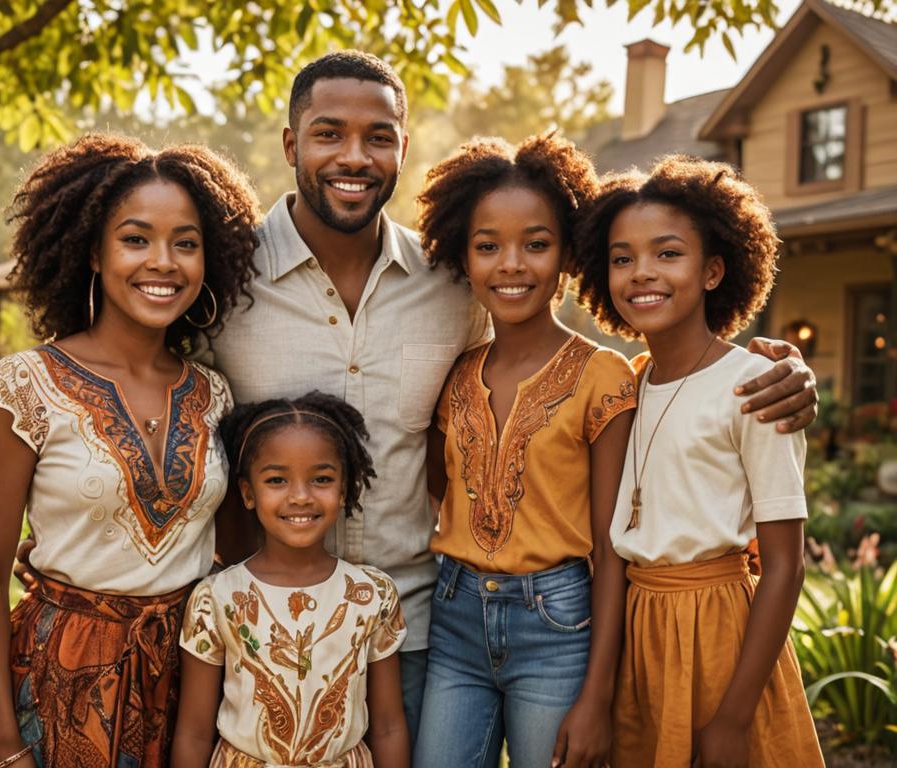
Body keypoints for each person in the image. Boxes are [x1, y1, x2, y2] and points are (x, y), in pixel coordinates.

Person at [192, 50, 821, 748]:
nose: (354, 155)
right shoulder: (220, 277)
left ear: (403, 146)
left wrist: (771, 360)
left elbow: (609, 420)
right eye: (328, 132)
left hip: (423, 624)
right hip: (268, 624)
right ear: (291, 144)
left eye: (377, 136)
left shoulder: (448, 285)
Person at [0, 134, 261, 768]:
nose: (163, 262)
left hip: (190, 684)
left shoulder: (214, 393)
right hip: (57, 682)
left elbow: (233, 554)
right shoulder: (25, 386)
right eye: (136, 239)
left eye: (186, 243)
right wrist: (4, 745)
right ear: (94, 251)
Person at [574, 157, 825, 767]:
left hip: (718, 633)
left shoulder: (758, 386)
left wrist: (734, 718)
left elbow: (785, 565)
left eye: (668, 254)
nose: (642, 274)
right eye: (622, 258)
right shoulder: (627, 385)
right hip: (637, 629)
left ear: (714, 270)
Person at [411, 133, 633, 768]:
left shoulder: (603, 377)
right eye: (488, 247)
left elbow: (612, 546)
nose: (511, 264)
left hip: (558, 626)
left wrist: (597, 694)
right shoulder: (454, 374)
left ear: (567, 253)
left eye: (536, 244)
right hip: (452, 619)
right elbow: (438, 482)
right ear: (463, 256)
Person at [172, 392, 409, 768]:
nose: (300, 496)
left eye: (321, 479)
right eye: (277, 480)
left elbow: (388, 726)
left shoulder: (371, 595)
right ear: (248, 493)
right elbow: (194, 731)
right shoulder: (217, 598)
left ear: (344, 490)